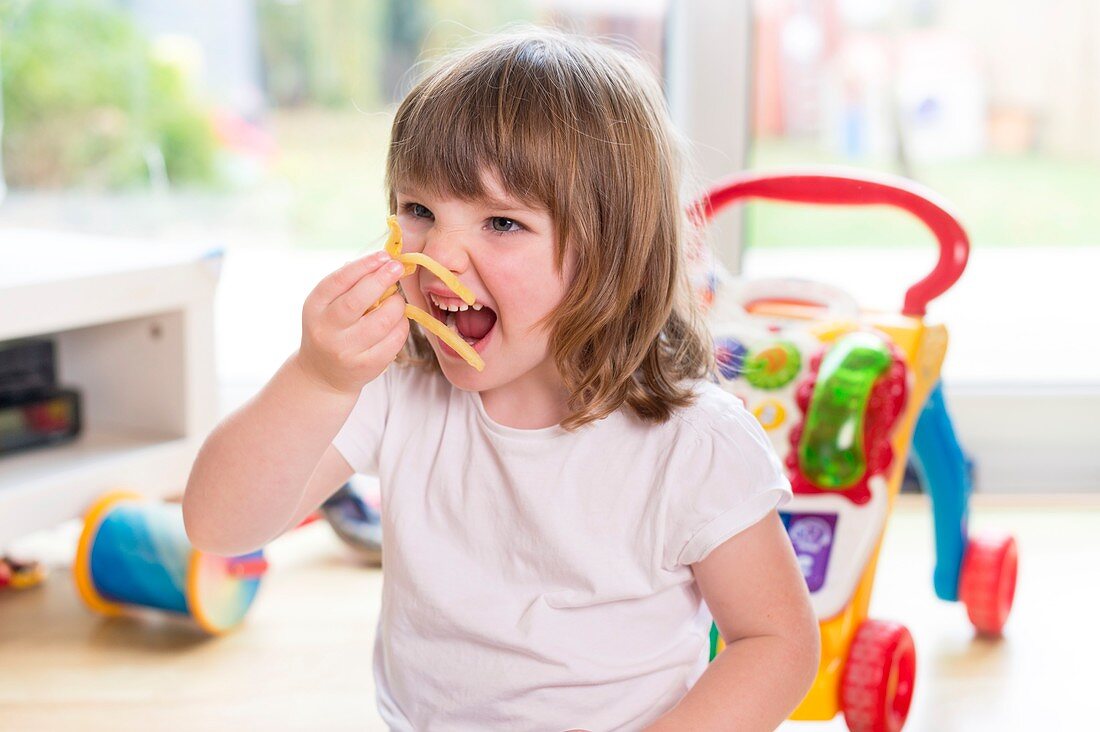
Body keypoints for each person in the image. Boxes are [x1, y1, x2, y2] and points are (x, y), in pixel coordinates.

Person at [183, 28, 819, 731]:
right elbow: (219, 525)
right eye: (419, 210)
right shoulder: (394, 389)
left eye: (501, 223)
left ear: (614, 254)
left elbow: (776, 644)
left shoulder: (693, 443)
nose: (441, 254)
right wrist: (316, 379)